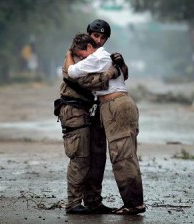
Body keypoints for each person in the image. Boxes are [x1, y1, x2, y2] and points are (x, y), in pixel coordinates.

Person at [65, 33, 146, 215]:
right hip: (111, 107)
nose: (81, 59)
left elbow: (71, 72)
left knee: (122, 157)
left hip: (115, 106)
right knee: (116, 155)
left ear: (88, 48)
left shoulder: (96, 56)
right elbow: (122, 74)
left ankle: (134, 204)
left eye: (81, 55)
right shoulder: (106, 57)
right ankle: (109, 202)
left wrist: (69, 55)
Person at [55, 20, 125, 214]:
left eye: (103, 38)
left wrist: (120, 63)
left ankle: (93, 202)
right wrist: (110, 73)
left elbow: (123, 77)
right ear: (88, 36)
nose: (99, 40)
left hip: (93, 112)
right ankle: (74, 203)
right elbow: (84, 81)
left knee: (97, 158)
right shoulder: (75, 54)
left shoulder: (100, 57)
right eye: (95, 36)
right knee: (80, 157)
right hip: (74, 110)